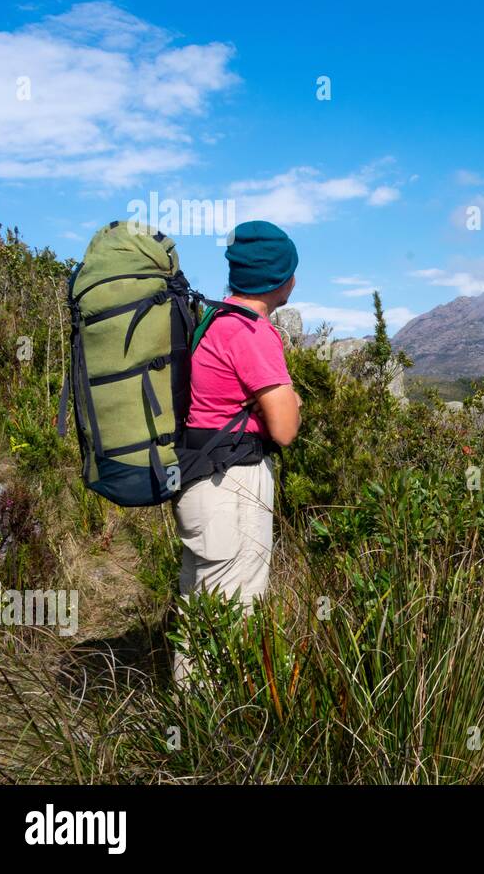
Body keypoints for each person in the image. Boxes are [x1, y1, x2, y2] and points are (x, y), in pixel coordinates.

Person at [172, 220, 302, 683]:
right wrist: (293, 403)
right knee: (233, 619)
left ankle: (187, 729)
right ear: (280, 278)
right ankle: (217, 743)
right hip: (233, 485)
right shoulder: (252, 332)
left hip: (199, 481)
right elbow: (285, 429)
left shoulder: (212, 318)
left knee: (201, 613)